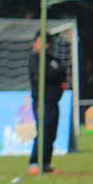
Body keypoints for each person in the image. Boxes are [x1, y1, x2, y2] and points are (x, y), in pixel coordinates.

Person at [28, 31, 66, 175]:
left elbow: (61, 71)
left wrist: (52, 73)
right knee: (42, 132)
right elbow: (44, 74)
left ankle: (46, 163)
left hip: (54, 101)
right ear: (35, 43)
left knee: (51, 134)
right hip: (41, 102)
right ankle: (34, 162)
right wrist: (51, 73)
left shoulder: (54, 60)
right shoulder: (35, 59)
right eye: (42, 41)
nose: (46, 45)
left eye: (48, 42)